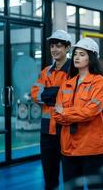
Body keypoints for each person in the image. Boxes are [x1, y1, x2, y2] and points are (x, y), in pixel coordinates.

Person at [52, 37, 103, 184]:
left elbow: (91, 111)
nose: (77, 57)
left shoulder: (98, 81)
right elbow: (56, 114)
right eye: (76, 54)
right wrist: (73, 113)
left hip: (91, 148)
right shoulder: (67, 83)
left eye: (82, 54)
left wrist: (65, 112)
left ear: (91, 58)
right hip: (68, 148)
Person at [30, 30, 71, 190]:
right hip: (47, 129)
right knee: (49, 174)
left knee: (70, 173)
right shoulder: (46, 71)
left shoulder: (73, 71)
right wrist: (56, 93)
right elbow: (36, 94)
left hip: (67, 127)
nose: (54, 49)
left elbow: (71, 97)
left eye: (59, 46)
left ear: (67, 48)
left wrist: (50, 93)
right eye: (52, 46)